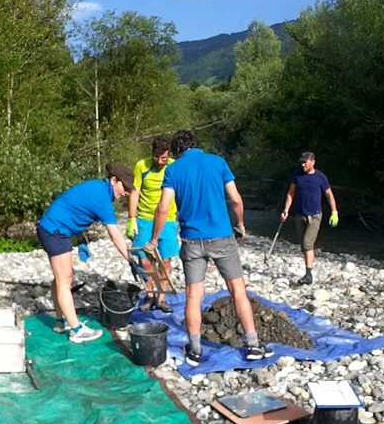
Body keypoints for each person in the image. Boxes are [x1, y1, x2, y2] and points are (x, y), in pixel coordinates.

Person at [146, 130, 273, 366]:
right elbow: (235, 199)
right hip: (222, 236)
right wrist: (241, 224)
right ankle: (253, 345)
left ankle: (194, 350)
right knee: (238, 291)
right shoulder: (218, 162)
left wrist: (154, 239)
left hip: (192, 241)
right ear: (195, 145)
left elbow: (163, 208)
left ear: (176, 151)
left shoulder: (173, 170)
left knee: (194, 296)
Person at [38, 163, 145, 343]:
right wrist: (130, 260)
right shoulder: (102, 198)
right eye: (124, 187)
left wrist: (80, 239)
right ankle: (76, 330)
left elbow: (76, 208)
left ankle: (60, 321)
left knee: (59, 278)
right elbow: (115, 234)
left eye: (129, 189)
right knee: (65, 279)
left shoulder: (98, 188)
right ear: (114, 180)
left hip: (52, 228)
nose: (126, 193)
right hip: (55, 231)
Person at [126, 136, 179, 313]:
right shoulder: (142, 166)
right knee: (145, 261)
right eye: (156, 157)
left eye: (163, 157)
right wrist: (131, 218)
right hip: (145, 218)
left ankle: (161, 298)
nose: (159, 161)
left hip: (168, 219)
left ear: (169, 155)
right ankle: (149, 295)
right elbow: (135, 192)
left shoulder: (174, 166)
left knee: (165, 261)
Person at [279, 151, 339, 285]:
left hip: (315, 215)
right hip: (299, 215)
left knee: (307, 244)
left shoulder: (320, 177)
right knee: (304, 246)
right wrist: (286, 210)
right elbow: (290, 193)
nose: (303, 164)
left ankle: (308, 274)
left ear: (313, 162)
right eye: (302, 162)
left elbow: (329, 195)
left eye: (305, 162)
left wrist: (334, 211)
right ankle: (309, 269)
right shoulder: (297, 176)